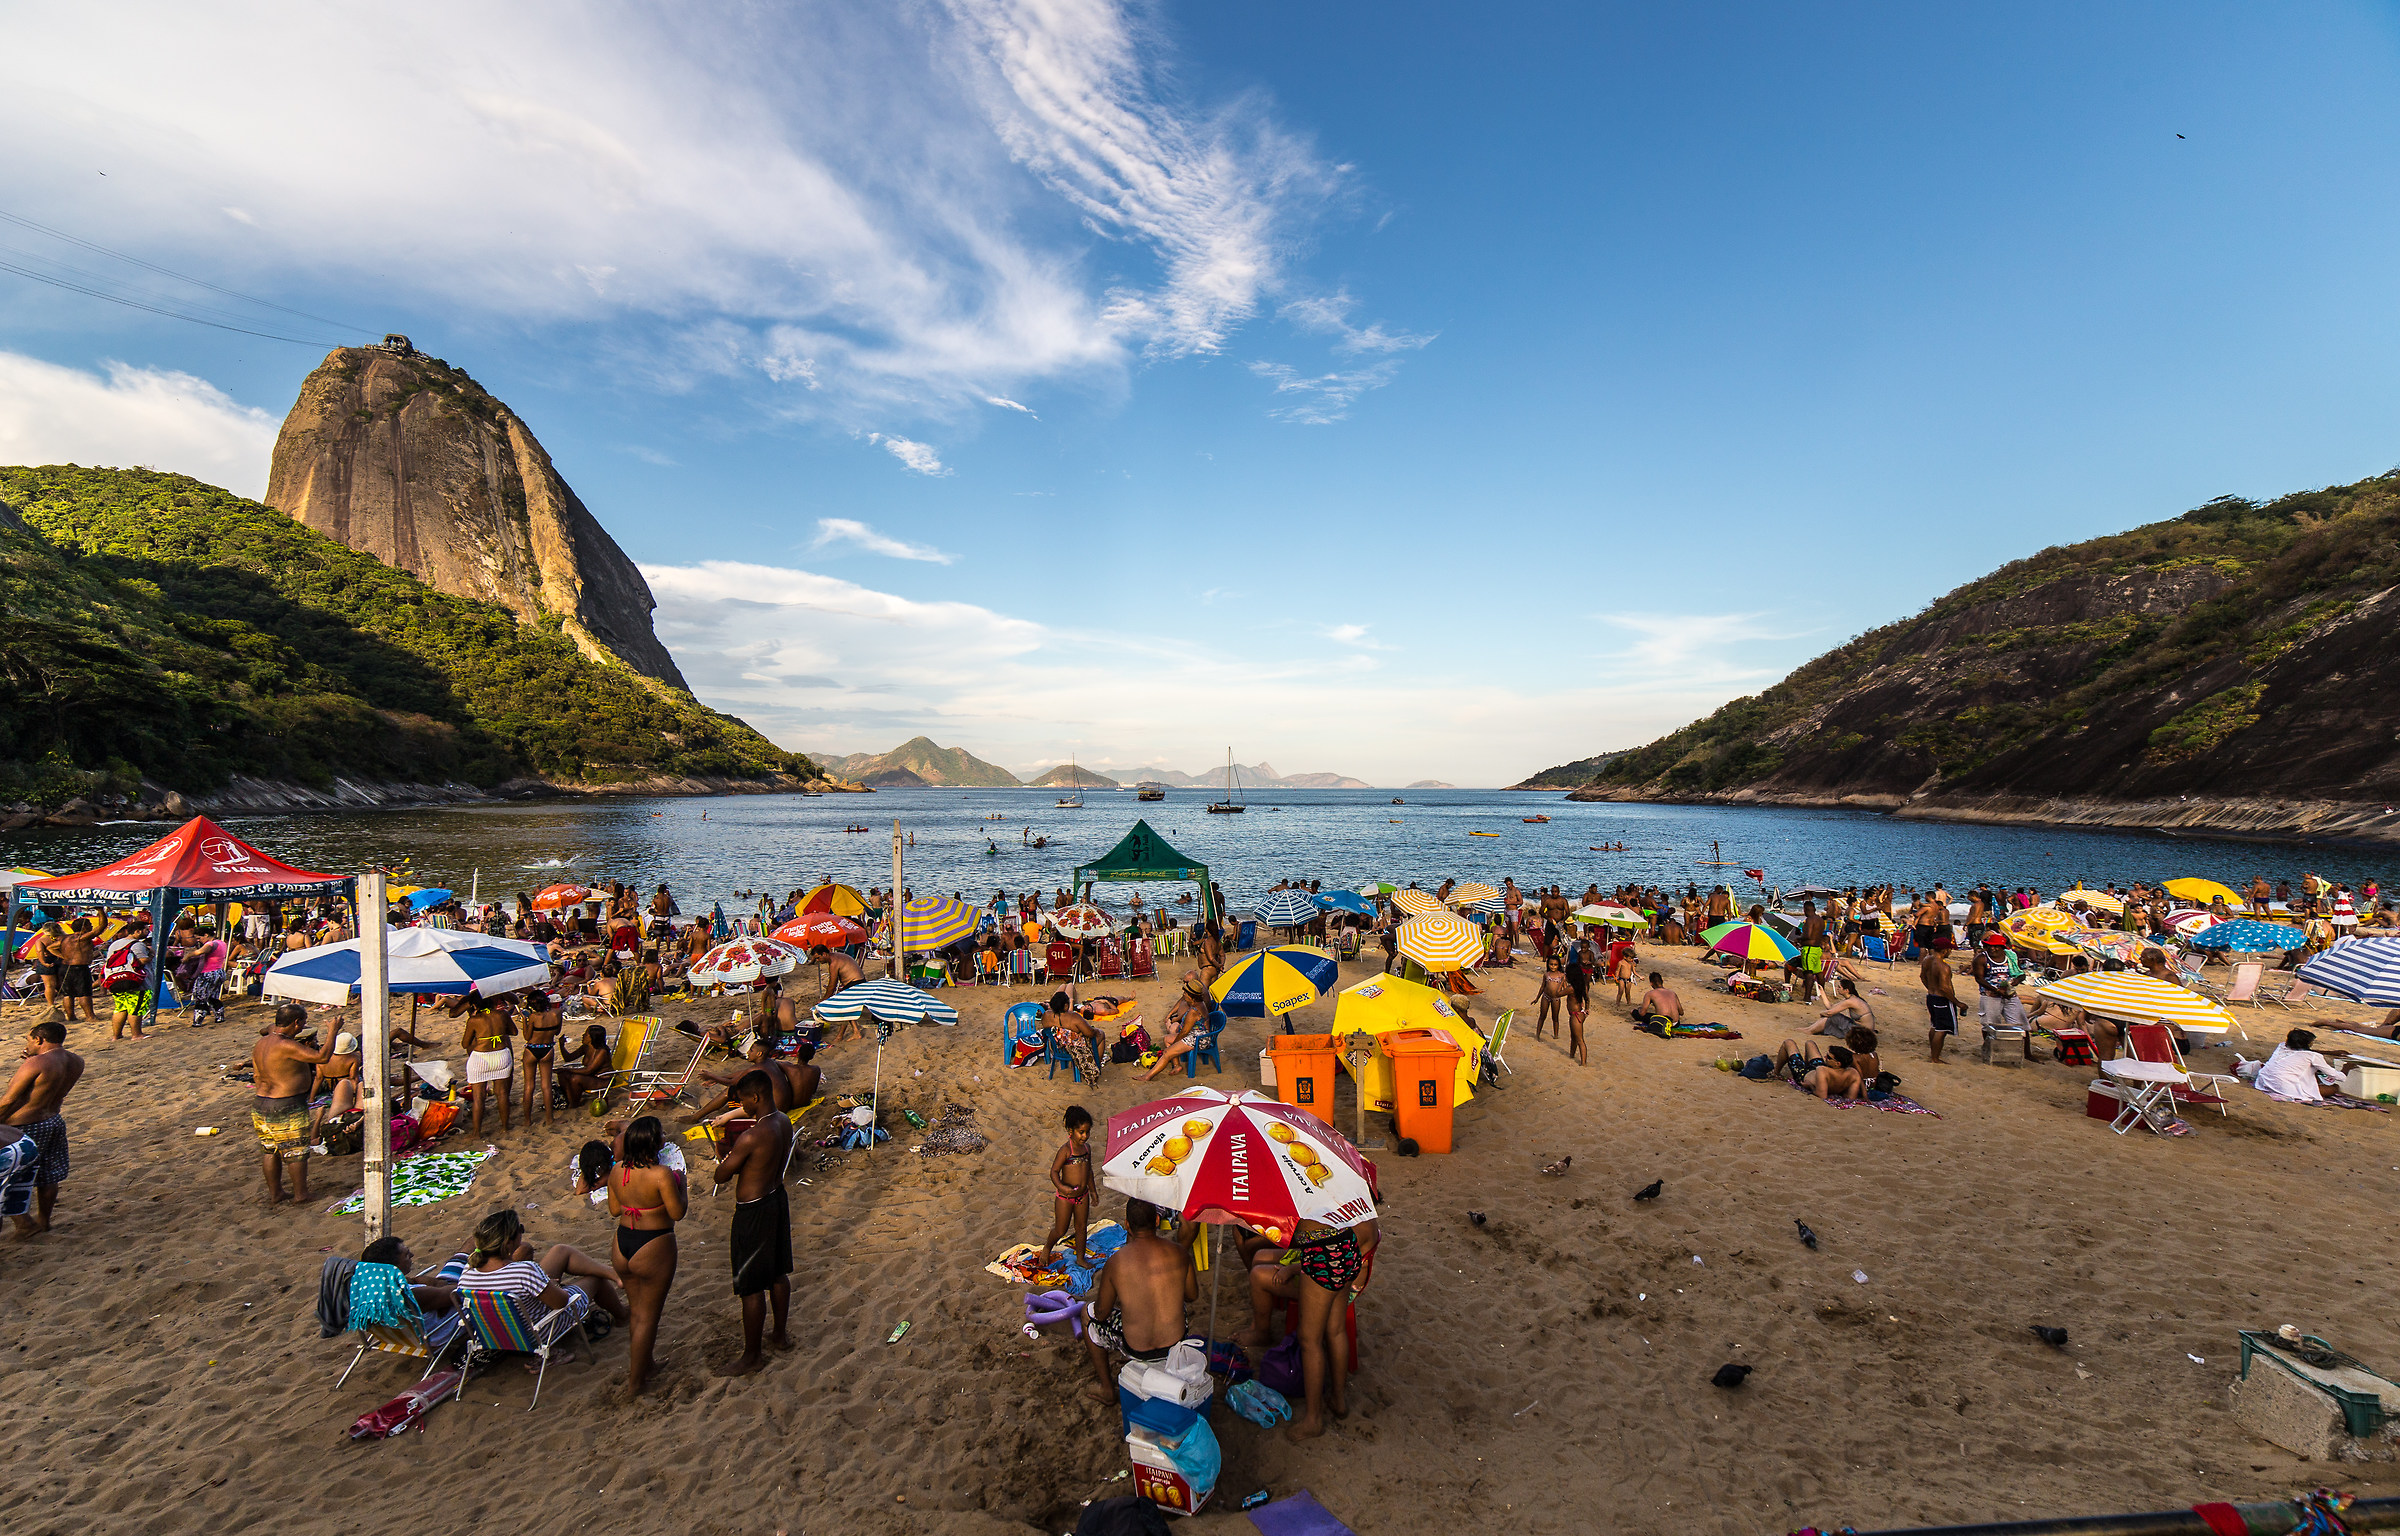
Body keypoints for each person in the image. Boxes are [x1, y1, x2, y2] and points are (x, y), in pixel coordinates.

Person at [1247, 1214, 1378, 1440]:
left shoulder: (1301, 1184)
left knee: (1310, 1340)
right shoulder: (1343, 1188)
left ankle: (1313, 1419)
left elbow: (1290, 1232)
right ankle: (1338, 1401)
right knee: (1336, 1330)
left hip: (1322, 1252)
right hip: (1345, 1245)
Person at [710, 1071, 794, 1376]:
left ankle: (752, 1355)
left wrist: (725, 1156)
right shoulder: (783, 1121)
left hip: (753, 1209)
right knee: (777, 1272)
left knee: (751, 1286)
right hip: (776, 1198)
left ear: (755, 1098)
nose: (741, 1104)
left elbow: (722, 1175)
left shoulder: (751, 1135)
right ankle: (780, 1336)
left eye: (743, 1099)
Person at [454, 1206, 630, 1352]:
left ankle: (614, 1274)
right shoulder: (524, 1271)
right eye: (520, 1230)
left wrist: (543, 1285)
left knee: (560, 1251)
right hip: (537, 1333)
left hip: (499, 1335)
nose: (522, 1234)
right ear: (508, 1243)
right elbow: (561, 1303)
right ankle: (622, 1316)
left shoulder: (468, 1272)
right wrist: (553, 1286)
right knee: (595, 1279)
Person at [1082, 1197, 1198, 1405]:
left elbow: (1101, 1313)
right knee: (1172, 1299)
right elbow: (1192, 1296)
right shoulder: (1179, 1253)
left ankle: (1107, 1389)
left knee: (1086, 1314)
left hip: (1136, 1347)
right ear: (1156, 1220)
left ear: (1127, 1225)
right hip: (1175, 1342)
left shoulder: (1116, 1262)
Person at [606, 1115, 686, 1395]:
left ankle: (645, 1365)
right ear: (654, 1143)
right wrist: (682, 1186)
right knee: (648, 1317)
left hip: (622, 1243)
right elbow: (677, 1213)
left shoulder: (617, 1170)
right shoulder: (661, 1174)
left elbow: (615, 1210)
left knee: (637, 1313)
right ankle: (635, 1383)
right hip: (653, 1244)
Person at [0, 1021, 84, 1235]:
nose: (27, 1044)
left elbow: (10, 1099)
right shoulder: (76, 1060)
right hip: (53, 1119)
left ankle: (24, 1224)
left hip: (25, 1123)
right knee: (49, 1174)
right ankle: (44, 1222)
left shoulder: (36, 1062)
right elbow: (45, 1086)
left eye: (28, 1040)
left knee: (11, 1176)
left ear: (39, 1039)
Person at [252, 1002, 337, 1205]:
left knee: (270, 1150)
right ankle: (301, 1194)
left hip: (261, 1103)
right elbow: (322, 1057)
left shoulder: (262, 1042)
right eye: (303, 1024)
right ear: (296, 1023)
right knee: (296, 1152)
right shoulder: (285, 1045)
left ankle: (276, 1193)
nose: (303, 1028)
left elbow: (266, 1030)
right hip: (285, 1104)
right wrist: (333, 1031)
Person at [446, 991, 517, 1135]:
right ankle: (505, 1126)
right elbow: (514, 1032)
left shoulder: (473, 1020)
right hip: (501, 1054)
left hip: (480, 1057)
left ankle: (476, 1132)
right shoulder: (503, 1015)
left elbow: (465, 1043)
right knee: (502, 1094)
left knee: (479, 1097)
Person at [1037, 1105, 1095, 1265]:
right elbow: (1054, 1171)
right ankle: (1048, 1247)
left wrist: (1093, 1191)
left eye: (1087, 1132)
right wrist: (1062, 1187)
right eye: (1081, 1132)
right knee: (1060, 1229)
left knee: (1081, 1227)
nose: (1085, 1136)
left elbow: (1089, 1170)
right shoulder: (1066, 1151)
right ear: (1071, 1131)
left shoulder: (1087, 1149)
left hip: (1082, 1196)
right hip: (1065, 1197)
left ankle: (1080, 1258)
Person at [2250, 1028, 2343, 1101]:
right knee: (2334, 1089)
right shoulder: (2313, 1056)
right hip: (2285, 1088)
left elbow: (2303, 1052)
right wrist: (2346, 1069)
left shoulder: (2281, 1046)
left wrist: (2331, 1053)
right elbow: (2335, 1075)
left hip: (2263, 1082)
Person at [100, 917, 153, 1040]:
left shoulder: (115, 944)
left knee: (120, 1008)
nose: (147, 932)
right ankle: (136, 1034)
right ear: (137, 931)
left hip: (116, 979)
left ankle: (116, 1035)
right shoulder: (138, 944)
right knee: (136, 1008)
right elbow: (142, 960)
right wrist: (151, 954)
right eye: (145, 930)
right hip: (136, 981)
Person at [1971, 933, 2026, 1051]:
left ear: (2002, 948)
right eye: (1990, 946)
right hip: (1990, 996)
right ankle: (1989, 1049)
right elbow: (1979, 978)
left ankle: (2026, 1053)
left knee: (2021, 1025)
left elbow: (2021, 974)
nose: (1992, 948)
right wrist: (1996, 990)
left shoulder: (2011, 957)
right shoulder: (1981, 958)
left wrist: (2016, 980)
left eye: (1996, 946)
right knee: (1989, 1025)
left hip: (2010, 995)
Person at [519, 988, 565, 1128]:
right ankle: (549, 1119)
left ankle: (527, 1120)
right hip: (547, 1049)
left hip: (532, 1049)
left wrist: (524, 1020)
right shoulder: (556, 1013)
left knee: (529, 1086)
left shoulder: (532, 1017)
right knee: (546, 1085)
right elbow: (557, 1032)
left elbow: (527, 1036)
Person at [1774, 1039, 1863, 1099]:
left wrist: (1810, 1086)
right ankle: (1805, 1063)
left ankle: (1776, 1072)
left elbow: (1821, 1095)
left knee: (1788, 1043)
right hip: (1819, 1070)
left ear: (1838, 1063)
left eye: (1828, 1057)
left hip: (1802, 1074)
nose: (1825, 1057)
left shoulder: (1823, 1070)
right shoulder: (1853, 1073)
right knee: (1810, 1043)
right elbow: (1850, 1097)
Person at [53, 918, 96, 1026]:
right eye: (89, 924)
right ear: (84, 927)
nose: (91, 926)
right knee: (84, 993)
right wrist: (101, 912)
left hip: (66, 966)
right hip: (79, 968)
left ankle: (71, 1016)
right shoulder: (81, 938)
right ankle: (90, 1016)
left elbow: (50, 947)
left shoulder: (65, 938)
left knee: (68, 994)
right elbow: (100, 929)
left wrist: (64, 956)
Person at [1805, 977, 1874, 1037]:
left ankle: (1809, 1030)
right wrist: (1822, 993)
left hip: (1863, 1032)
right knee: (1832, 1016)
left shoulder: (1851, 1001)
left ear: (1846, 990)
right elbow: (1831, 1008)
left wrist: (1822, 1013)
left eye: (1839, 987)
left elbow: (1829, 1012)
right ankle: (1809, 1029)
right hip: (1861, 1028)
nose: (1837, 988)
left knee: (1831, 1017)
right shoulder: (1851, 998)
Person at [1533, 955, 1567, 1044]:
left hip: (1556, 999)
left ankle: (1556, 1035)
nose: (1553, 966)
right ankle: (1537, 1034)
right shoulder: (1546, 974)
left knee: (1555, 1017)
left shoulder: (1562, 976)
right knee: (1542, 1016)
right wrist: (1537, 998)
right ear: (1548, 965)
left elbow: (1565, 989)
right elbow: (1542, 987)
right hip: (1545, 997)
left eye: (1555, 965)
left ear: (1558, 965)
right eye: (1551, 964)